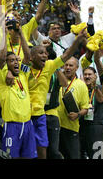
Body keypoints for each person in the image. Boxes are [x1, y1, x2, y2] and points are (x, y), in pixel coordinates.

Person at [30, 29, 88, 159]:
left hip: (48, 115)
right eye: (41, 54)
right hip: (30, 114)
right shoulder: (28, 70)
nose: (45, 57)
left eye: (46, 55)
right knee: (32, 150)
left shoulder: (51, 68)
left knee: (51, 150)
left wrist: (78, 40)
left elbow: (66, 58)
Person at [0, 18, 35, 158]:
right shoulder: (2, 78)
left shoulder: (23, 74)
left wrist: (21, 33)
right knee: (10, 157)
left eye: (17, 60)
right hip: (12, 126)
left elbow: (28, 56)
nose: (17, 63)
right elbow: (1, 57)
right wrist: (5, 35)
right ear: (7, 64)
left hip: (28, 125)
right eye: (12, 61)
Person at [56, 56, 90, 159]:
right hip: (55, 126)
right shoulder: (57, 81)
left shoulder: (81, 85)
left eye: (71, 65)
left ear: (76, 68)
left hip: (71, 128)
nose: (68, 67)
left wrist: (78, 114)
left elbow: (86, 108)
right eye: (66, 65)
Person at [79, 67, 103, 159]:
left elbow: (101, 99)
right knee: (81, 152)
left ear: (95, 76)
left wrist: (95, 87)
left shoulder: (101, 88)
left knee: (97, 155)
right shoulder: (80, 88)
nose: (87, 76)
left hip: (96, 125)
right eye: (85, 74)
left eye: (89, 74)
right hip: (81, 124)